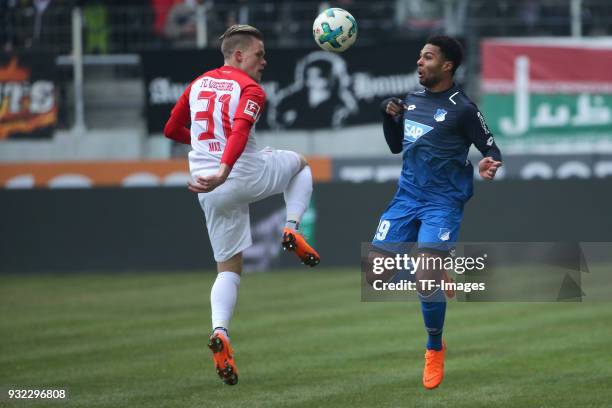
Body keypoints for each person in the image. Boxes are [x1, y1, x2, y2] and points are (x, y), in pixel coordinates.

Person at [163, 24, 320, 386]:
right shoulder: (251, 89)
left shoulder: (199, 83)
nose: (264, 61)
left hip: (207, 186)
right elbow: (238, 131)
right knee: (300, 164)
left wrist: (205, 150)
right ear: (238, 55)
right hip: (236, 174)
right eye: (259, 54)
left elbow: (171, 129)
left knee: (228, 269)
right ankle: (292, 227)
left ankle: (221, 332)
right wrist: (223, 168)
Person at [365, 35, 502, 390]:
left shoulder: (463, 108)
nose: (419, 63)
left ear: (447, 66)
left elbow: (491, 147)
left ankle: (434, 347)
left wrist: (488, 165)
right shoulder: (411, 100)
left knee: (426, 276)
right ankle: (436, 277)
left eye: (427, 57)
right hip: (406, 198)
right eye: (419, 57)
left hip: (443, 202)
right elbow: (396, 146)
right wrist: (387, 116)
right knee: (375, 276)